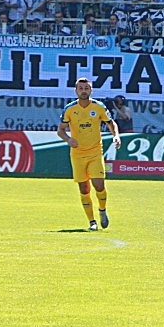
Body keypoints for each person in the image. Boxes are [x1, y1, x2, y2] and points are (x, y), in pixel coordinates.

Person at [57, 78, 122, 231]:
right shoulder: (69, 109)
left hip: (95, 152)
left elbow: (111, 123)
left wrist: (116, 136)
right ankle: (92, 221)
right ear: (76, 91)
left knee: (99, 185)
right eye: (81, 88)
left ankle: (102, 210)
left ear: (91, 90)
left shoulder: (98, 107)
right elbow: (60, 130)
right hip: (78, 154)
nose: (84, 91)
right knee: (84, 189)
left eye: (86, 88)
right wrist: (68, 139)